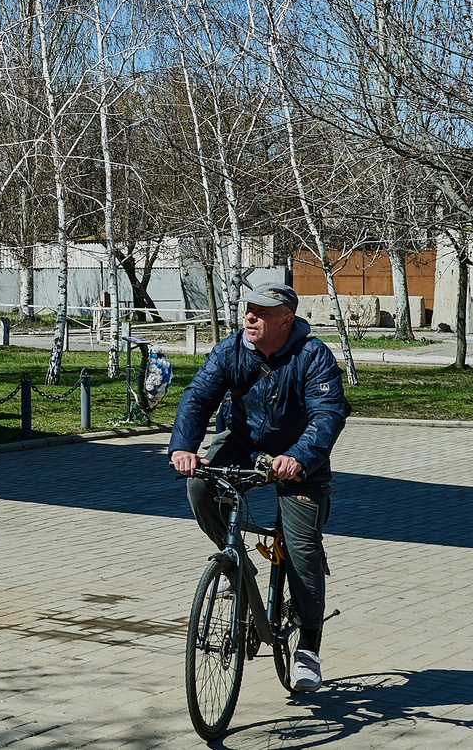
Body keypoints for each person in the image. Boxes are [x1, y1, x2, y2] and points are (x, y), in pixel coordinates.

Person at [167, 276, 349, 694]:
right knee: (198, 486)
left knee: (301, 547)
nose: (249, 317)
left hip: (300, 460)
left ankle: (308, 648)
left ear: (286, 320)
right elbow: (198, 397)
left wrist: (299, 457)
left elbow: (327, 415)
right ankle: (238, 565)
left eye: (262, 313)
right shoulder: (231, 350)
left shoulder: (312, 355)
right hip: (243, 447)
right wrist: (184, 448)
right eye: (248, 310)